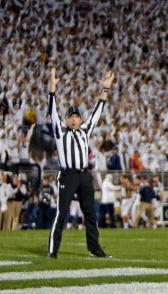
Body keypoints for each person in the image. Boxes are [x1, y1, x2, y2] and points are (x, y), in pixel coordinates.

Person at [47, 67, 114, 259]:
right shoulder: (60, 131)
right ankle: (53, 251)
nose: (74, 120)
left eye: (77, 116)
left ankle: (94, 248)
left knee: (90, 214)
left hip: (84, 175)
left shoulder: (85, 130)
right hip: (68, 174)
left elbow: (96, 113)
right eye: (71, 117)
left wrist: (105, 90)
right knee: (62, 213)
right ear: (67, 119)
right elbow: (52, 112)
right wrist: (52, 90)